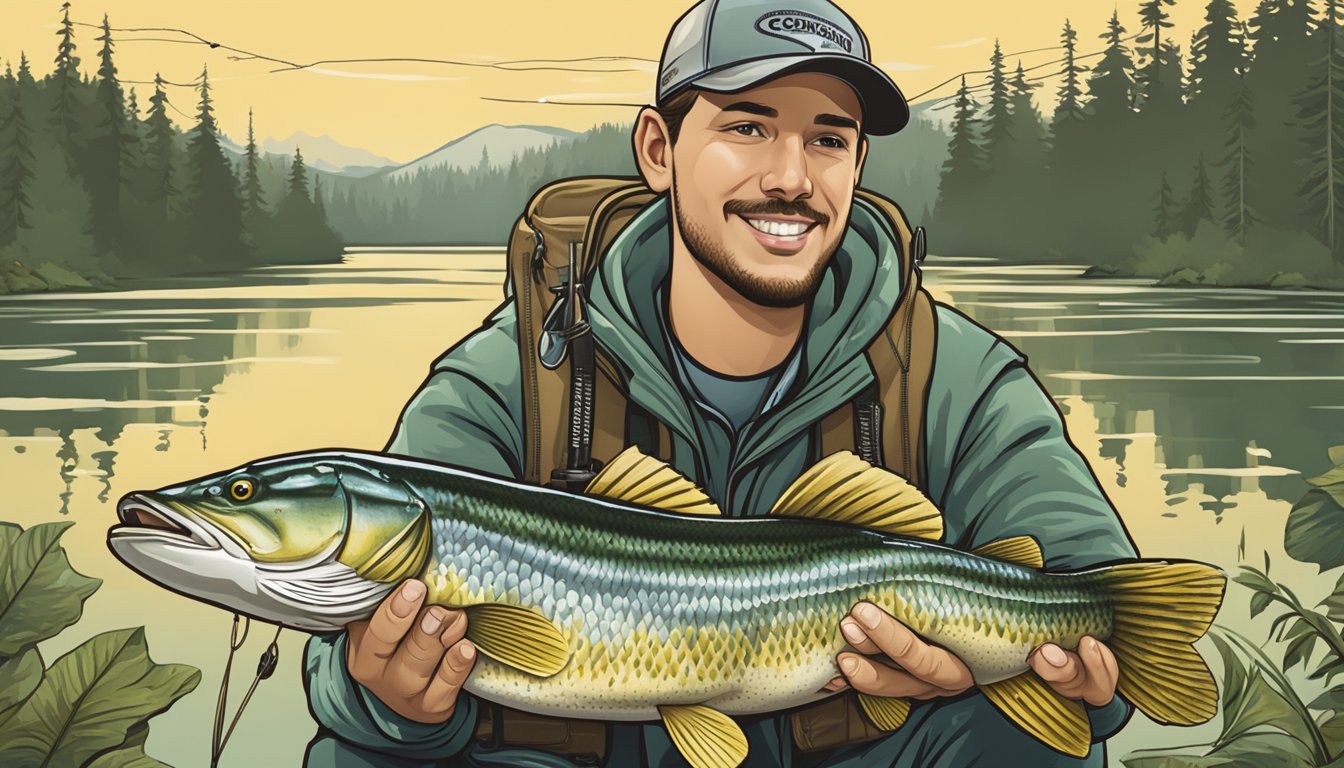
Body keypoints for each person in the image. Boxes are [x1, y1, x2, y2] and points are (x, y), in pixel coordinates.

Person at [302, 0, 1139, 765]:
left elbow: (1108, 624)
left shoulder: (959, 376)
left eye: (827, 139)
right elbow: (341, 657)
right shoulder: (512, 378)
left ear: (856, 163)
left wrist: (1077, 681)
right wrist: (384, 695)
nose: (791, 179)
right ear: (659, 153)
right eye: (747, 127)